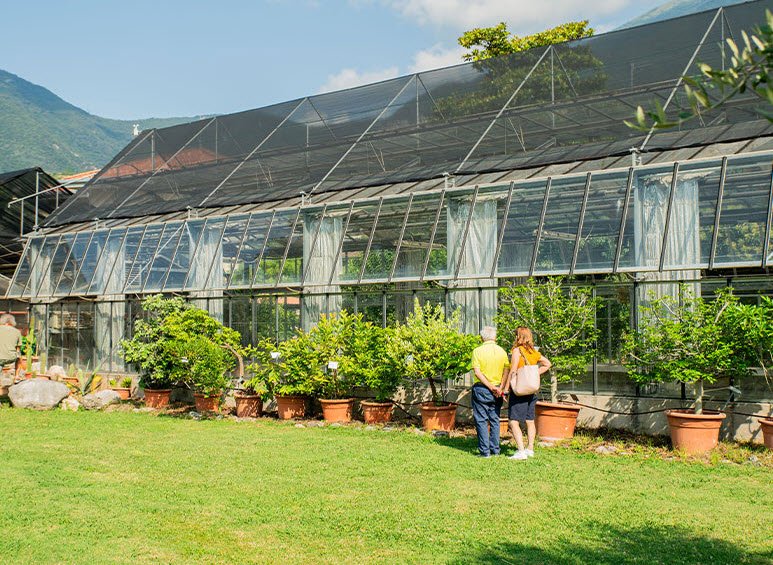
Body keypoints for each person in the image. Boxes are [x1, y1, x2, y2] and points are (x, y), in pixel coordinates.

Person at [503, 326, 551, 461]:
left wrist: (506, 388)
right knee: (530, 420)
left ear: (519, 336)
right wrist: (535, 373)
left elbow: (512, 370)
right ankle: (530, 449)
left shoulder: (517, 351)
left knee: (513, 421)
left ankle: (521, 451)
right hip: (531, 390)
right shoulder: (533, 352)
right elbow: (547, 364)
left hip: (519, 391)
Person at [470, 326, 510, 457]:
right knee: (494, 419)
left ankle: (485, 452)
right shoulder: (502, 351)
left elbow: (477, 372)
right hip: (498, 389)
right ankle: (495, 450)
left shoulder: (477, 351)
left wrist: (490, 386)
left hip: (482, 388)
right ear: (495, 337)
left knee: (481, 420)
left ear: (482, 338)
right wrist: (501, 387)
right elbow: (506, 370)